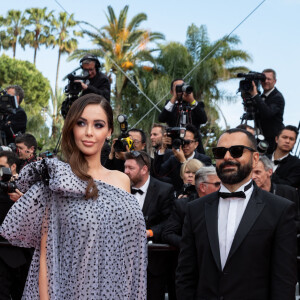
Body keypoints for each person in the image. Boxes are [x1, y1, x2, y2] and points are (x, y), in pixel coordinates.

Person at [0, 94, 147, 299]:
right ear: (71, 128)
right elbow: (46, 259)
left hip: (117, 290)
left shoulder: (122, 180)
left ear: (109, 131)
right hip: (72, 291)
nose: (89, 132)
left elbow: (130, 253)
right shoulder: (57, 179)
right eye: (81, 123)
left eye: (98, 125)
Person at [176, 128, 297, 299]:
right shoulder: (195, 209)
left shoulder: (280, 210)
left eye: (236, 151)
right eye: (220, 152)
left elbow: (284, 281)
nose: (227, 157)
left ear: (255, 158)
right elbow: (185, 275)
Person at [124, 150, 174, 300]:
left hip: (152, 263)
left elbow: (169, 222)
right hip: (122, 261)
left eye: (130, 168)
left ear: (144, 169)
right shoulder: (119, 187)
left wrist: (150, 233)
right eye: (125, 167)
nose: (125, 172)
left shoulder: (164, 190)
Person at [163, 166, 220, 249]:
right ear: (203, 187)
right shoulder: (183, 206)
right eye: (217, 184)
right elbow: (168, 234)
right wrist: (192, 246)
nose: (222, 188)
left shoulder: (225, 203)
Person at [0, 151, 31, 300]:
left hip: (22, 258)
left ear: (12, 167)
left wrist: (23, 200)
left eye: (2, 167)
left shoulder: (28, 188)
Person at [158, 78, 207, 153]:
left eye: (182, 86)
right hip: (174, 146)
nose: (181, 90)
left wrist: (191, 101)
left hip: (194, 148)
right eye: (177, 87)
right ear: (172, 91)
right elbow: (161, 118)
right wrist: (174, 98)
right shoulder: (170, 105)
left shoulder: (197, 105)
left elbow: (203, 119)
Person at [159, 124, 211, 191]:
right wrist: (162, 149)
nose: (185, 145)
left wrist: (183, 162)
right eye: (182, 141)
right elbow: (158, 175)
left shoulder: (204, 160)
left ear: (196, 144)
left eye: (188, 142)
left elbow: (204, 184)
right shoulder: (173, 158)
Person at [252, 155, 299, 230]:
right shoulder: (246, 194)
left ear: (270, 172)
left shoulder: (289, 192)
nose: (253, 176)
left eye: (257, 172)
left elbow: (297, 222)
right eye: (250, 173)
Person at [250, 68, 285, 153]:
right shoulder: (260, 97)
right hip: (261, 141)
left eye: (269, 79)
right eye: (263, 79)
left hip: (273, 144)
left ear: (275, 81)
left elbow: (267, 113)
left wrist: (255, 96)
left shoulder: (277, 97)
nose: (266, 81)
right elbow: (256, 115)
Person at [269, 125, 300, 189]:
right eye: (284, 137)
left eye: (291, 139)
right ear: (276, 139)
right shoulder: (263, 158)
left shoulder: (297, 164)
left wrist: (268, 175)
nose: (287, 141)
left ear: (294, 143)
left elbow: (289, 185)